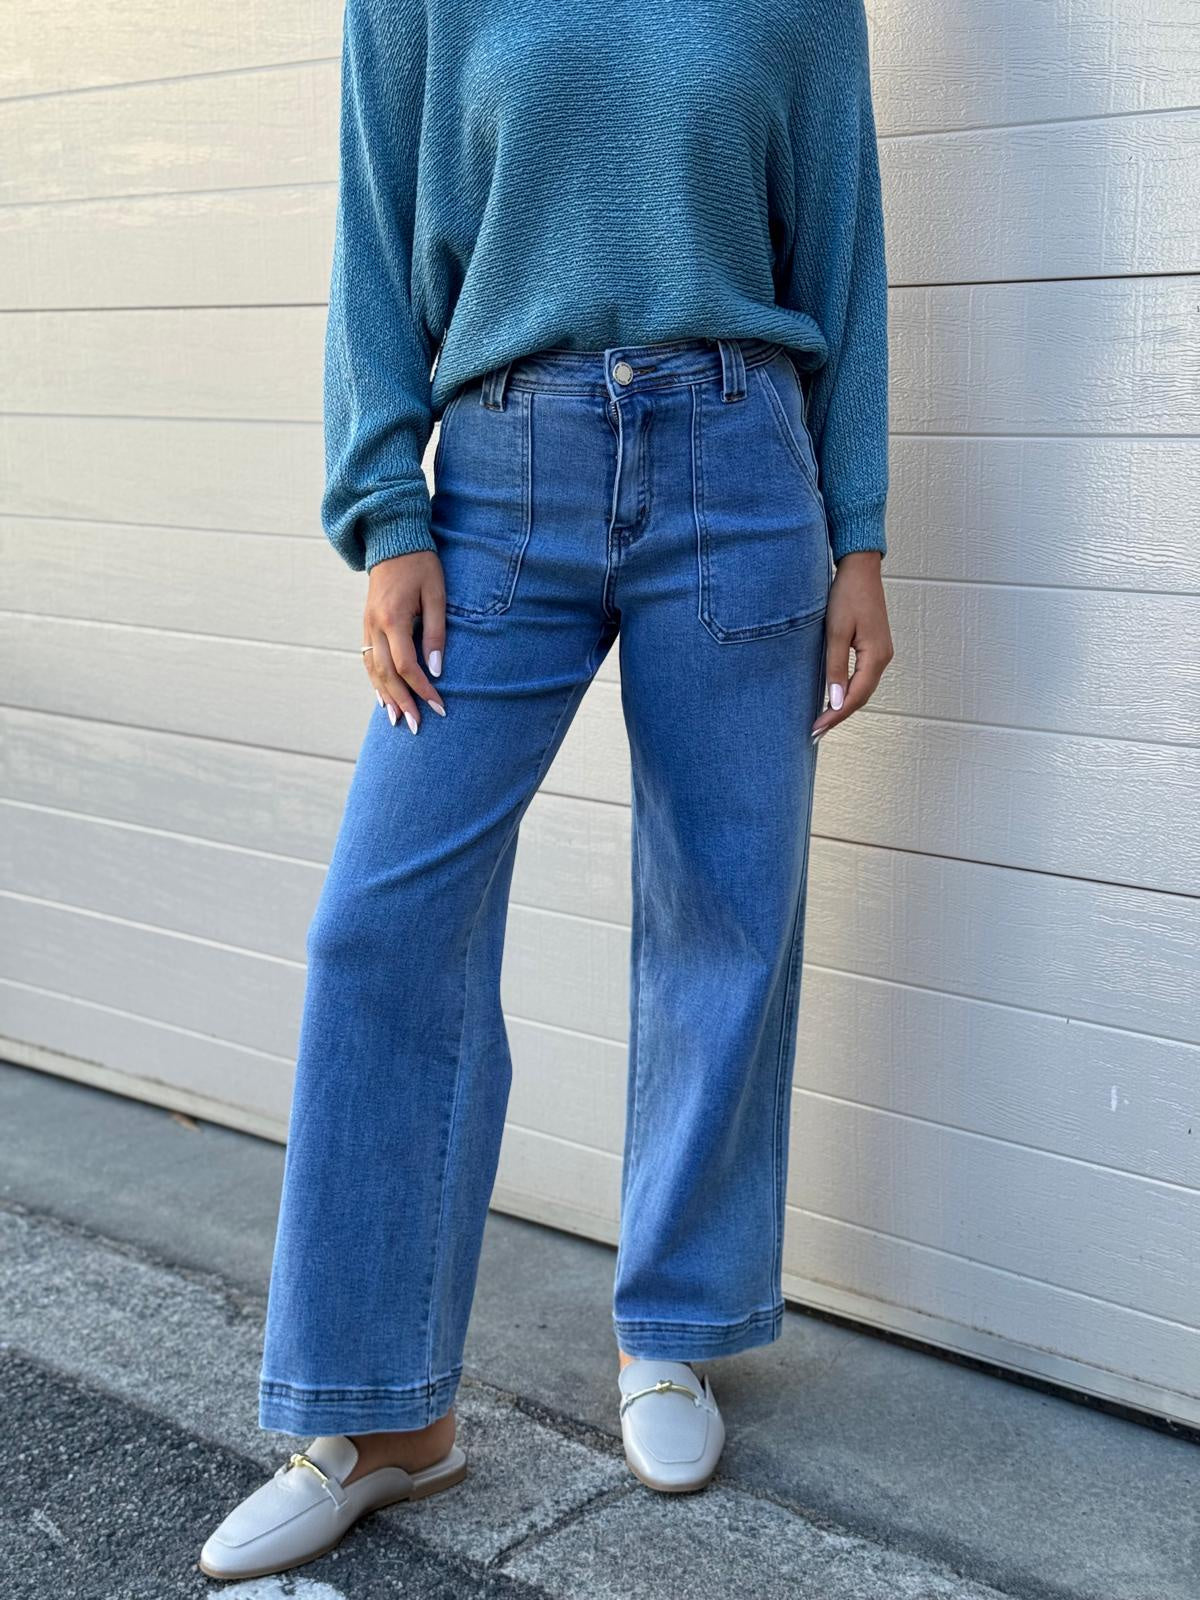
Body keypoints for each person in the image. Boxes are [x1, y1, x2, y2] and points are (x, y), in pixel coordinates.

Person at [199, 0, 893, 1579]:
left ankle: (677, 1327)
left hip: (741, 465)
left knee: (725, 909)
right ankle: (386, 1420)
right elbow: (375, 229)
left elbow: (844, 250)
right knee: (382, 927)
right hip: (506, 474)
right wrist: (387, 512)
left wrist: (859, 532)